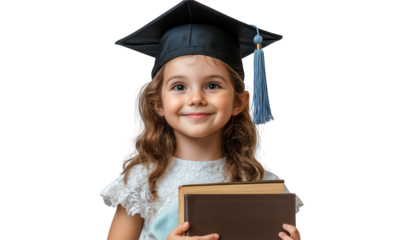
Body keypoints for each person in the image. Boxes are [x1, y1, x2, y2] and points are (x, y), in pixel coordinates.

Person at [99, 1, 304, 240]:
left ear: (239, 102)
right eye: (179, 86)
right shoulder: (141, 182)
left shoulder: (258, 181)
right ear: (159, 104)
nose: (196, 98)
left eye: (212, 85)